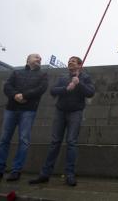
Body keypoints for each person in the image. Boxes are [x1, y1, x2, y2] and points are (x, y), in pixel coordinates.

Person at [29, 56, 95, 186]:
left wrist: (78, 83)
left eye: (73, 61)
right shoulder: (63, 77)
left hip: (75, 112)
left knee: (71, 142)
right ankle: (45, 174)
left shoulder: (85, 77)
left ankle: (70, 174)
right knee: (55, 142)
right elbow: (53, 91)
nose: (70, 62)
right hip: (60, 111)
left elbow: (90, 92)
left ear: (80, 65)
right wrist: (66, 88)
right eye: (69, 61)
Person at [0, 54, 48, 181]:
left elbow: (41, 89)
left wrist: (24, 95)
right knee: (4, 140)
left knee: (23, 140)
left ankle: (16, 171)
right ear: (28, 60)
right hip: (11, 109)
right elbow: (7, 86)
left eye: (40, 58)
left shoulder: (43, 75)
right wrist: (15, 95)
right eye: (36, 57)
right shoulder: (16, 73)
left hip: (29, 110)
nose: (39, 59)